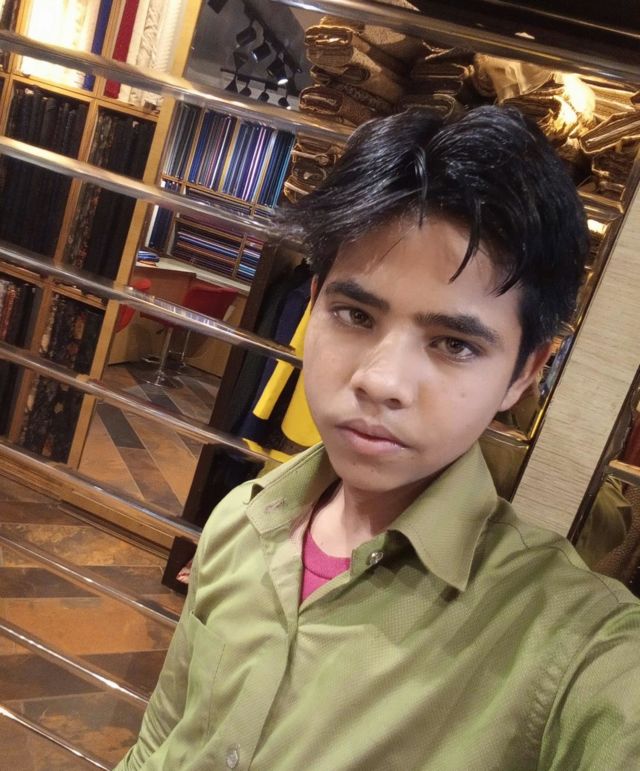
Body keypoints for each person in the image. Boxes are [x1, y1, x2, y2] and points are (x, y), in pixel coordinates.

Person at [116, 106, 640, 770]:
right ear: (313, 305)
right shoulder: (240, 522)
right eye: (355, 315)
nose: (381, 380)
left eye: (454, 344)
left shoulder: (570, 641)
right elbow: (159, 743)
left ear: (524, 373)